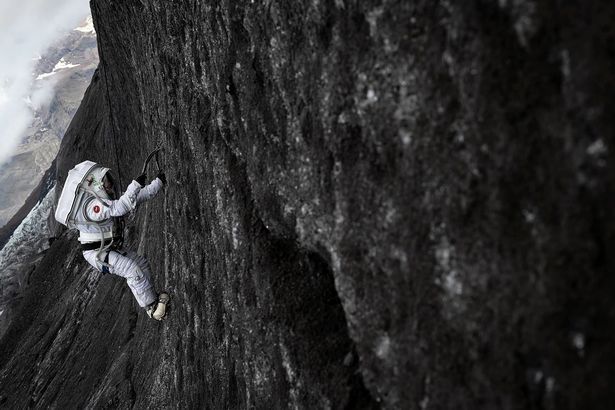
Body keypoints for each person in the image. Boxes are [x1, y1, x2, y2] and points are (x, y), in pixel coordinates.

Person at [55, 160, 169, 320]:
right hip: (98, 253)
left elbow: (134, 200)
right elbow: (121, 207)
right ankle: (152, 309)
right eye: (106, 185)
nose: (110, 187)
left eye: (109, 183)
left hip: (106, 247)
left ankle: (153, 299)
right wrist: (135, 185)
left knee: (141, 264)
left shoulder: (100, 202)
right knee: (132, 270)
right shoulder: (93, 207)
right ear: (98, 187)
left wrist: (158, 183)